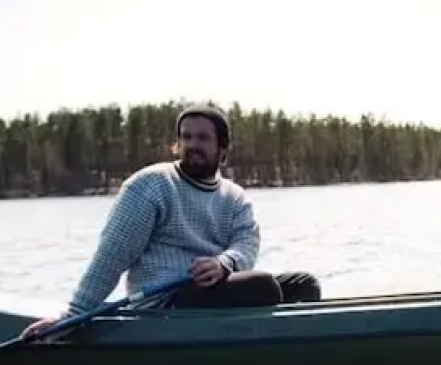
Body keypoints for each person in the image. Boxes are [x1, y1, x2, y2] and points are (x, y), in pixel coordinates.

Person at [19, 105, 321, 339]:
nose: (192, 145)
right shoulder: (151, 185)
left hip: (216, 290)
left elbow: (247, 243)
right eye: (186, 137)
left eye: (203, 138)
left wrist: (224, 263)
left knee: (305, 286)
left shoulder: (234, 197)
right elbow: (111, 256)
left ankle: (281, 347)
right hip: (164, 303)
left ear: (222, 149)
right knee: (262, 286)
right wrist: (73, 315)